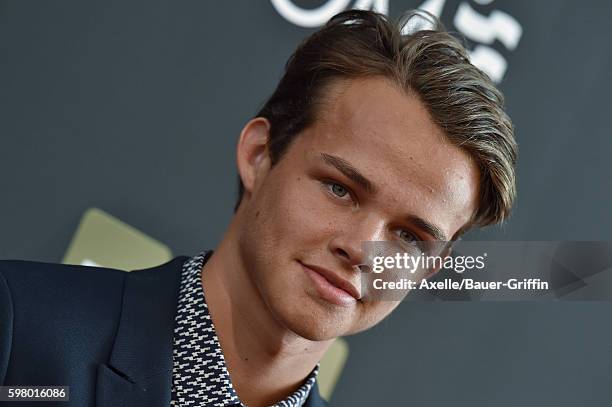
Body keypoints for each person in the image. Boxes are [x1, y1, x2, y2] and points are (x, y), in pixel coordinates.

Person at [0, 9, 517, 407]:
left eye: (409, 238)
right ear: (258, 156)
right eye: (340, 189)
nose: (362, 250)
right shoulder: (19, 328)